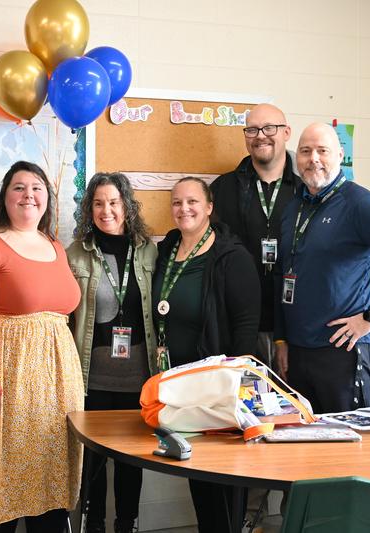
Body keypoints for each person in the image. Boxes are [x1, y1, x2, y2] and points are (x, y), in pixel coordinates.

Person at [0, 161, 83, 532]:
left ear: (47, 198)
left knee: (50, 494)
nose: (29, 195)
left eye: (37, 188)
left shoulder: (56, 247)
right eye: (19, 188)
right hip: (4, 382)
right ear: (5, 198)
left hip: (54, 393)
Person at [273, 123, 370, 413]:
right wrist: (282, 340)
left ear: (340, 155)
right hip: (299, 350)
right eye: (305, 151)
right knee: (302, 449)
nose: (313, 159)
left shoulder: (360, 203)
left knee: (348, 448)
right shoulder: (293, 208)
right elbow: (284, 275)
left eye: (322, 151)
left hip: (344, 350)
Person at [152, 177, 260, 533]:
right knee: (196, 470)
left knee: (223, 475)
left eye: (193, 202)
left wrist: (235, 383)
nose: (184, 209)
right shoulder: (168, 248)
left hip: (217, 384)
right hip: (179, 383)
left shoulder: (231, 256)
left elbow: (246, 325)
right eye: (177, 203)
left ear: (210, 207)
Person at [67, 172, 158, 533]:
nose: (107, 210)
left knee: (130, 462)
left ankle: (127, 524)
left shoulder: (149, 250)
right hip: (91, 378)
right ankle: (94, 526)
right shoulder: (75, 252)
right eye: (99, 203)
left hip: (138, 379)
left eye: (114, 202)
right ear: (89, 209)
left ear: (127, 206)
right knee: (92, 462)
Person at [210, 103, 300, 370]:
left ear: (286, 132)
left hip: (297, 329)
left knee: (296, 408)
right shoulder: (222, 190)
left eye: (269, 128)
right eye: (252, 130)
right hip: (239, 331)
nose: (260, 135)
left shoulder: (307, 188)